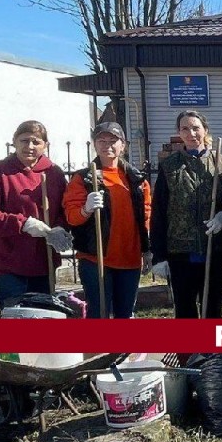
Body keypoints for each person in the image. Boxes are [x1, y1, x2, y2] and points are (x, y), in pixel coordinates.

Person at [63, 122, 151, 318]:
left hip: (129, 258)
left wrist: (147, 249)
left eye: (113, 140)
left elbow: (145, 215)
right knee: (99, 313)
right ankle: (99, 348)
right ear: (94, 144)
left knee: (125, 313)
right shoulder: (83, 179)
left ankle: (121, 348)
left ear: (123, 145)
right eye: (101, 140)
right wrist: (86, 209)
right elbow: (72, 217)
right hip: (96, 259)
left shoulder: (136, 179)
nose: (107, 145)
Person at [0, 120, 72, 307]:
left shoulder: (54, 173)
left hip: (43, 261)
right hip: (8, 261)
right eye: (24, 140)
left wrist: (60, 227)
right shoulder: (0, 172)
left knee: (42, 317)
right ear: (14, 141)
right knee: (16, 318)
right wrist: (22, 224)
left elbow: (66, 208)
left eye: (36, 141)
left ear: (45, 145)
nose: (29, 146)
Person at [149, 110, 222, 318]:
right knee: (185, 309)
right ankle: (188, 350)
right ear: (179, 132)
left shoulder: (221, 163)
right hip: (180, 249)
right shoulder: (169, 166)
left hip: (213, 248)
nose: (191, 133)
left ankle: (212, 350)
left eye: (196, 128)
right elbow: (158, 211)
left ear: (205, 130)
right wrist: (158, 255)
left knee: (212, 307)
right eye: (185, 128)